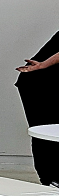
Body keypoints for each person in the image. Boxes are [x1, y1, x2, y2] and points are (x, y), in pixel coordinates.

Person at [16, 30, 59, 185]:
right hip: (40, 83)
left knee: (48, 132)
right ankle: (50, 180)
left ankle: (50, 179)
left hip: (42, 80)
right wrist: (43, 65)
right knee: (47, 132)